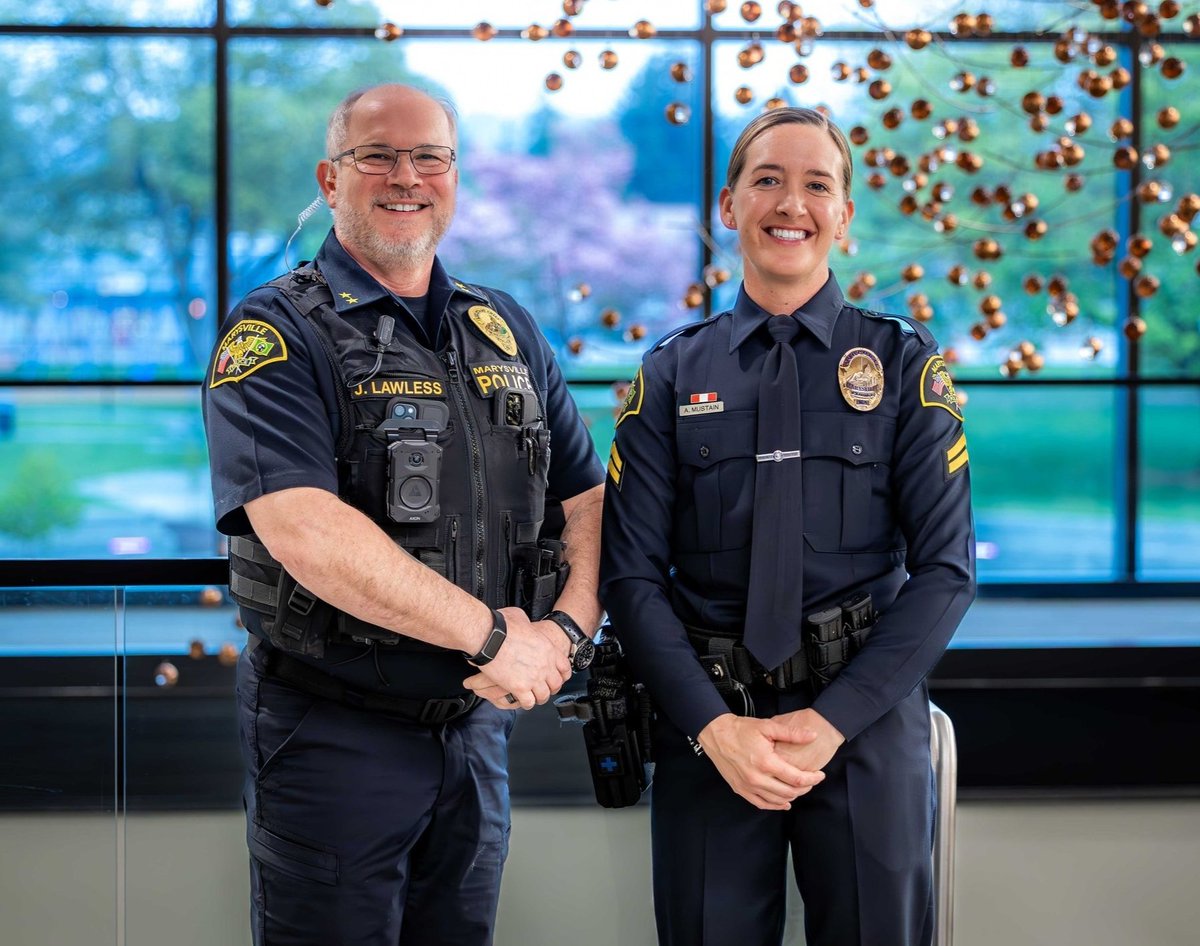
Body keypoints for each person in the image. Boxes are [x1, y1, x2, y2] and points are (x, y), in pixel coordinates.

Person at [203, 83, 605, 946]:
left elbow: (589, 501)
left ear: (454, 175)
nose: (406, 176)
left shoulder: (505, 329)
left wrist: (564, 634)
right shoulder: (274, 332)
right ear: (330, 178)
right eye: (376, 155)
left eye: (430, 156)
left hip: (475, 730)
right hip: (330, 733)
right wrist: (499, 639)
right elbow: (306, 529)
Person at [599, 107, 976, 946]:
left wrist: (838, 717)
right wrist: (710, 725)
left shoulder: (905, 365)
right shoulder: (668, 374)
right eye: (767, 179)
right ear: (728, 206)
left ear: (843, 214)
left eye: (817, 184)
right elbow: (628, 577)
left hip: (865, 721)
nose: (790, 202)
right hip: (713, 722)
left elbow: (947, 571)